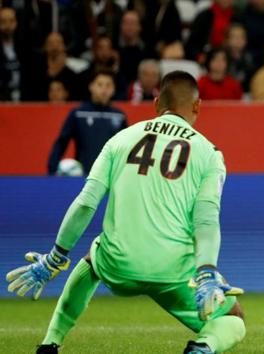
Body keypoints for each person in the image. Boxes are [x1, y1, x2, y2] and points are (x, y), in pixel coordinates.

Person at [7, 71, 246, 354]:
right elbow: (205, 220)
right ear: (197, 106)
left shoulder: (120, 139)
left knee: (93, 256)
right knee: (234, 318)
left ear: (156, 103)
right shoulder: (209, 154)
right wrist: (206, 272)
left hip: (117, 264)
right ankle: (203, 347)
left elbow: (85, 203)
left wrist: (55, 258)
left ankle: (51, 343)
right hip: (171, 272)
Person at [47, 70, 127, 176]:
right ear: (91, 87)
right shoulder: (79, 113)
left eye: (108, 85)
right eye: (100, 85)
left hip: (110, 176)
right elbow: (62, 141)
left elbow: (126, 148)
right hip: (83, 177)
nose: (104, 89)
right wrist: (52, 170)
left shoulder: (119, 116)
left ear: (113, 89)